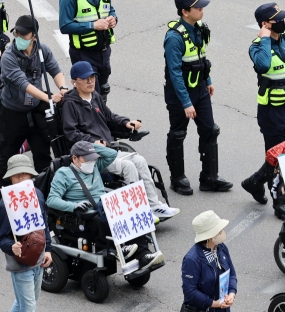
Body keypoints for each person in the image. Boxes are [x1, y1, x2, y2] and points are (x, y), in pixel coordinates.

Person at [62, 61, 180, 221]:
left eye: (92, 77)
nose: (90, 81)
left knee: (139, 160)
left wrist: (126, 122)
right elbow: (71, 133)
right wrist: (92, 142)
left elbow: (109, 116)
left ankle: (154, 205)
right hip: (91, 156)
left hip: (108, 151)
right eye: (85, 79)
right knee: (128, 166)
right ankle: (138, 213)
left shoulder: (95, 96)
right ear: (74, 82)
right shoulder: (70, 104)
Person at [47, 141, 164, 270]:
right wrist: (73, 206)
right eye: (87, 159)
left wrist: (90, 147)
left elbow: (112, 154)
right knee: (98, 220)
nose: (91, 162)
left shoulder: (95, 166)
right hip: (82, 215)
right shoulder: (63, 174)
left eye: (92, 158)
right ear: (74, 158)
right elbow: (52, 200)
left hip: (103, 208)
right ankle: (117, 249)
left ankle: (143, 255)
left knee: (133, 213)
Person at [164, 0, 232, 196]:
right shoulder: (174, 38)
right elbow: (175, 73)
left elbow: (201, 58)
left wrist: (207, 79)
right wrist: (186, 102)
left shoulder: (199, 28)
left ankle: (209, 178)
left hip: (200, 89)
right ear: (185, 12)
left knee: (210, 130)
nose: (202, 10)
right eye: (198, 8)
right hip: (180, 94)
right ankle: (177, 179)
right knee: (178, 134)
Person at [241, 2, 285, 216]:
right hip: (271, 112)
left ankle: (254, 181)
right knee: (278, 157)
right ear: (265, 24)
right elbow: (264, 65)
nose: (283, 22)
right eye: (278, 19)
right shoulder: (257, 46)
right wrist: (265, 37)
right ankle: (280, 203)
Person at [0, 16, 68, 183]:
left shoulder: (42, 50)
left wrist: (63, 89)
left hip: (36, 110)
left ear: (34, 37)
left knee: (43, 155)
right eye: (16, 33)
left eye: (24, 35)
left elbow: (55, 70)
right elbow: (22, 84)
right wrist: (49, 97)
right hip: (12, 113)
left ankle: (42, 193)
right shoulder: (8, 57)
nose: (18, 37)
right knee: (5, 156)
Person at [0, 154, 52, 312]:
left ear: (31, 176)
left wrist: (48, 249)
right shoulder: (4, 204)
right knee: (29, 308)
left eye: (25, 175)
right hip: (20, 263)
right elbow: (2, 237)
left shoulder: (37, 195)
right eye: (16, 176)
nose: (21, 179)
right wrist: (10, 247)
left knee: (29, 299)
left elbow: (44, 224)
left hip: (39, 258)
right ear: (10, 179)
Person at [59, 0, 117, 102]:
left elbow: (109, 9)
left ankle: (100, 115)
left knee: (103, 90)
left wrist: (113, 18)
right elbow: (65, 26)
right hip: (83, 55)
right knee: (91, 96)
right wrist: (93, 26)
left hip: (104, 52)